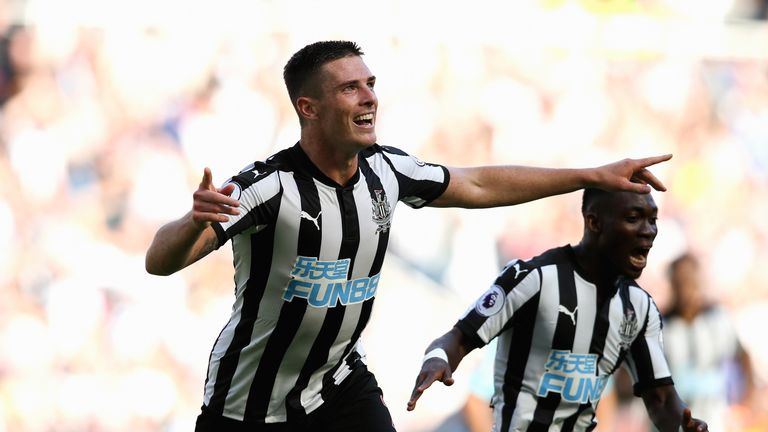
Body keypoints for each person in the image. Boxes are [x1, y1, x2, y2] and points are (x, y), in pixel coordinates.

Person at [145, 40, 673, 431]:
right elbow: (159, 261)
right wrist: (193, 222)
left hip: (336, 385)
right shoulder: (269, 187)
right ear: (309, 108)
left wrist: (589, 176)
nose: (369, 97)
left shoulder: (387, 172)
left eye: (371, 84)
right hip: (246, 405)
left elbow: (476, 182)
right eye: (350, 87)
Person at [407, 188, 709, 432]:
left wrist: (683, 424)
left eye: (653, 220)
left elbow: (659, 396)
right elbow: (461, 342)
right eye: (634, 218)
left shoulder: (637, 308)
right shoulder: (534, 281)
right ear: (594, 222)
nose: (648, 232)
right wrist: (440, 356)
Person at [661, 252, 754, 432]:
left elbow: (743, 356)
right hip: (673, 424)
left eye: (688, 280)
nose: (684, 288)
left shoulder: (718, 319)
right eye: (679, 282)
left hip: (714, 420)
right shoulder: (661, 325)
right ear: (672, 284)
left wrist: (745, 400)